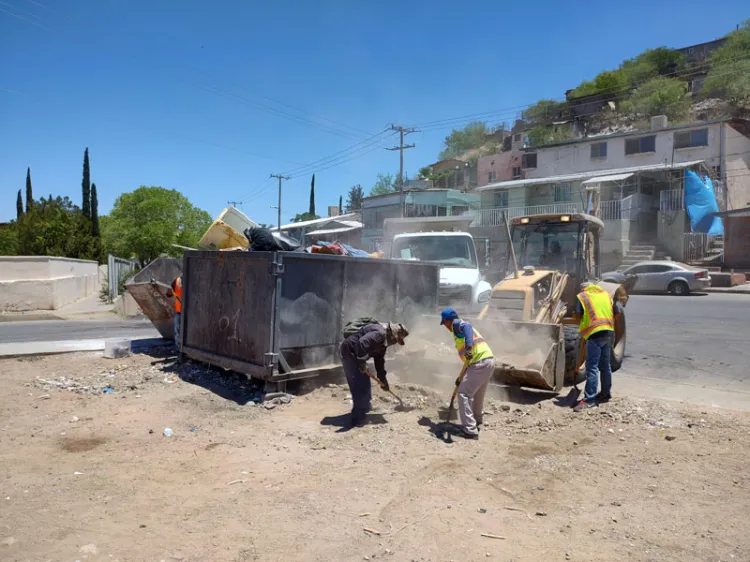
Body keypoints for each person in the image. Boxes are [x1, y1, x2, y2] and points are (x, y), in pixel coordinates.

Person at [440, 308, 496, 440]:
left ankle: (470, 430)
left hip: (479, 362)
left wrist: (469, 348)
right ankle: (477, 420)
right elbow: (467, 360)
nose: (445, 327)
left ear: (448, 321)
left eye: (444, 323)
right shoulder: (457, 329)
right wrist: (461, 378)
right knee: (478, 392)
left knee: (463, 394)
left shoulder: (457, 324)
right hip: (488, 360)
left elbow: (467, 326)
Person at [339, 322, 409, 427]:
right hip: (350, 351)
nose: (394, 343)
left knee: (364, 381)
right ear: (392, 334)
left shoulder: (383, 343)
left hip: (356, 353)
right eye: (395, 340)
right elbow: (362, 343)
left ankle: (365, 407)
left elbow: (379, 361)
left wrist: (383, 379)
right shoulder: (380, 334)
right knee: (359, 382)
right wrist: (362, 362)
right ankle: (357, 417)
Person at [572, 282, 623, 412]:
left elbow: (577, 316)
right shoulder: (606, 295)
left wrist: (583, 326)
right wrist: (608, 322)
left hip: (595, 334)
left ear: (583, 288)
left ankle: (589, 399)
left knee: (592, 366)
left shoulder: (583, 296)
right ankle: (606, 394)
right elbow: (617, 313)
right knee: (605, 365)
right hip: (608, 332)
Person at [167, 276, 183, 350]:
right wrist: (169, 291)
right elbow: (169, 294)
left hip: (187, 313)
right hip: (179, 311)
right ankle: (179, 350)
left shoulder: (193, 279)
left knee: (180, 332)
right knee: (178, 332)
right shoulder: (176, 281)